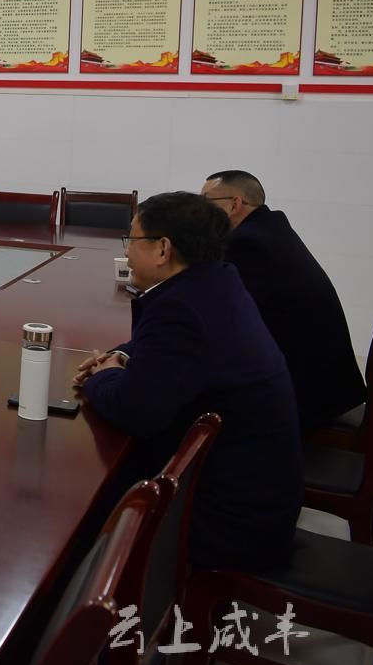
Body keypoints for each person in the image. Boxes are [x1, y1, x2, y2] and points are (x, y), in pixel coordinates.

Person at [76, 192, 302, 571]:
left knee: (84, 504)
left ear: (163, 249)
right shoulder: (216, 281)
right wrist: (121, 357)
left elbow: (134, 411)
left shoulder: (179, 309)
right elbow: (167, 352)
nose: (126, 252)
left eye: (132, 240)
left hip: (231, 522)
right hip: (260, 497)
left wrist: (102, 376)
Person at [201, 170, 366, 429]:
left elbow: (221, 315)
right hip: (331, 383)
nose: (200, 211)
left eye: (206, 202)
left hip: (308, 393)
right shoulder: (268, 228)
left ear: (235, 204)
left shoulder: (248, 243)